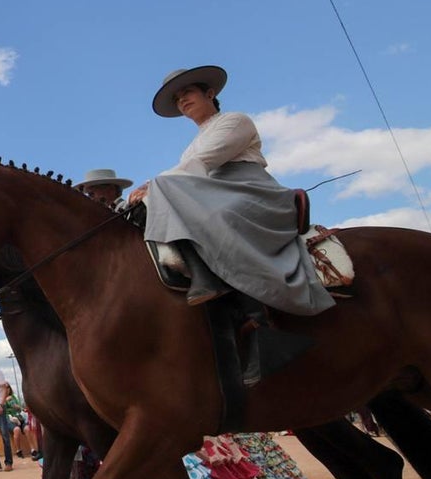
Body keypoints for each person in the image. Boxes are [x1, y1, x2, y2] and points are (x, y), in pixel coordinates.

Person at [127, 66, 332, 382]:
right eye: (178, 98)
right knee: (154, 204)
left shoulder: (235, 121)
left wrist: (153, 186)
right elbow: (188, 171)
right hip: (213, 193)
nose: (182, 101)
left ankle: (255, 316)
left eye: (188, 93)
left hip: (251, 193)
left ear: (209, 93)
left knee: (178, 197)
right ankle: (203, 279)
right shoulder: (192, 144)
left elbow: (202, 163)